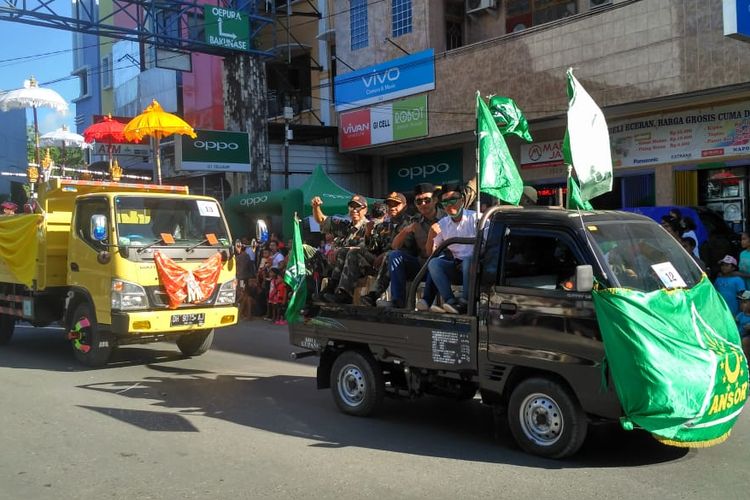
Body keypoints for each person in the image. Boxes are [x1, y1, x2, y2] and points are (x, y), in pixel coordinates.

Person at [424, 181, 478, 315]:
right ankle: (451, 301)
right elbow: (430, 253)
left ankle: (465, 302)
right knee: (434, 263)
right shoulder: (443, 223)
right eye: (445, 202)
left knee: (468, 261)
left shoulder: (476, 218)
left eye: (453, 200)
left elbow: (491, 246)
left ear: (462, 200)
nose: (449, 205)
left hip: (477, 268)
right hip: (457, 267)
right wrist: (431, 234)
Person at [311, 194, 370, 303]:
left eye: (358, 207)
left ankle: (342, 293)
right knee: (314, 256)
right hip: (340, 265)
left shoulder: (369, 226)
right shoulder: (345, 225)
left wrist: (340, 250)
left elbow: (366, 249)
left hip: (361, 265)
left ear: (365, 210)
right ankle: (314, 295)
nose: (354, 210)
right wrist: (316, 207)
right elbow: (322, 220)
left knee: (346, 252)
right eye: (351, 207)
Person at [234, 239, 253, 320]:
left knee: (242, 296)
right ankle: (245, 314)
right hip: (245, 278)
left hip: (241, 279)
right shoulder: (247, 256)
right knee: (245, 296)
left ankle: (242, 314)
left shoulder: (238, 257)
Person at [738, 291, 750, 365]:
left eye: (745, 302)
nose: (742, 305)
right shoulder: (740, 315)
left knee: (745, 341)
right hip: (739, 337)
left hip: (746, 338)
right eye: (741, 302)